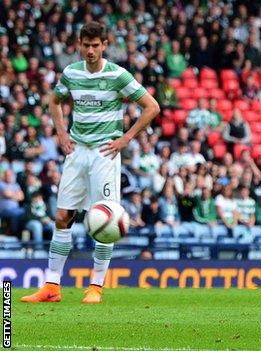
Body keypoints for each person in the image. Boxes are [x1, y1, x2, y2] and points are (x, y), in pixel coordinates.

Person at [21, 22, 160, 304]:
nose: (90, 51)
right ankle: (51, 286)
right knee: (63, 216)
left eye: (96, 45)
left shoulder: (117, 75)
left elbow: (152, 106)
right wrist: (60, 132)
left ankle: (95, 287)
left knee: (105, 219)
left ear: (104, 45)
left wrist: (125, 139)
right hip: (76, 152)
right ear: (80, 45)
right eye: (86, 45)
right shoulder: (71, 73)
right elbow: (55, 100)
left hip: (104, 153)